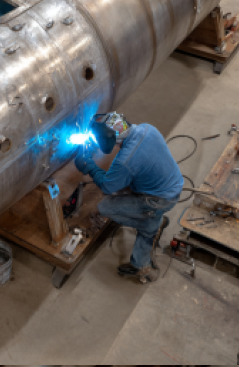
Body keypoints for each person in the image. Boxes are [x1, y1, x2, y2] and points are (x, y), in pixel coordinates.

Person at [74, 112, 183, 285]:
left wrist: (89, 166)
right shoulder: (147, 128)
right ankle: (153, 224)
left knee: (105, 207)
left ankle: (150, 229)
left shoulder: (126, 161)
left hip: (159, 200)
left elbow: (107, 185)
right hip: (172, 184)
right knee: (120, 188)